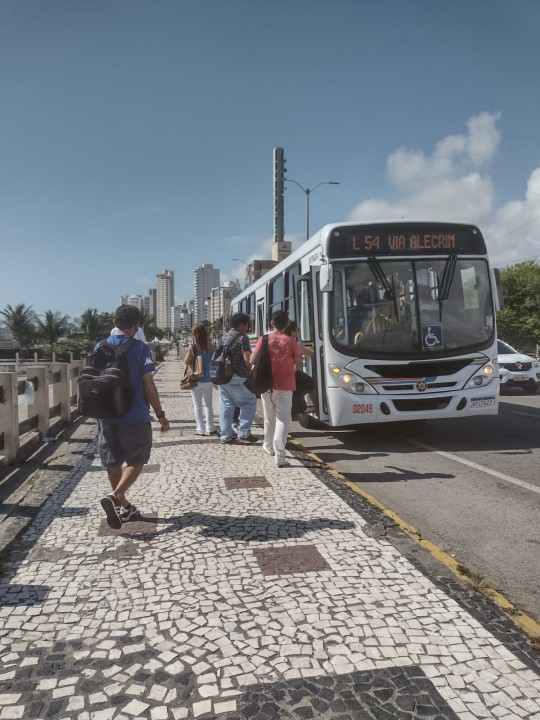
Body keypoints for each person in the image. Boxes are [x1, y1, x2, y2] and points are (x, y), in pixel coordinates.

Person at [99, 305, 170, 529]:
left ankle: (124, 507)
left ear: (114, 322)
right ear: (136, 325)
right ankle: (115, 496)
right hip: (134, 414)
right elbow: (149, 386)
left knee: (113, 462)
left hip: (105, 415)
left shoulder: (99, 346)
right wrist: (161, 415)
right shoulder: (140, 348)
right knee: (137, 460)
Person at [250, 310, 301, 467]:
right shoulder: (291, 342)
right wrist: (290, 372)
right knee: (283, 420)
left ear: (272, 323)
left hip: (267, 386)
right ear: (287, 324)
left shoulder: (263, 339)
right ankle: (280, 455)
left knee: (269, 418)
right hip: (285, 386)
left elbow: (252, 359)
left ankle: (268, 446)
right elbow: (298, 364)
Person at [218, 312, 258, 444]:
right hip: (237, 377)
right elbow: (247, 360)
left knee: (226, 405)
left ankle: (225, 436)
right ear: (241, 324)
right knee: (249, 402)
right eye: (246, 325)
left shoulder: (224, 337)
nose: (247, 328)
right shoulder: (243, 338)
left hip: (222, 377)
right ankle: (244, 433)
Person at [184, 324, 218, 436]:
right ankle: (210, 428)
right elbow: (215, 360)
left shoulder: (193, 346)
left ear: (195, 335)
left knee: (197, 405)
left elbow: (186, 361)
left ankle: (200, 429)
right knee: (208, 405)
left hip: (195, 379)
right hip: (208, 380)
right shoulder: (211, 346)